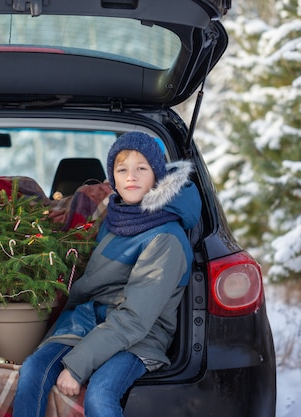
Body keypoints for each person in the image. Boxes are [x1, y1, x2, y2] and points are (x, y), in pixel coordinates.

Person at [12, 131, 201, 417]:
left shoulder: (166, 238)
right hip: (91, 319)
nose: (131, 177)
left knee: (100, 393)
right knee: (33, 371)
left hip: (141, 336)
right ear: (112, 178)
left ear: (157, 175)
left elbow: (136, 318)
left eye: (142, 168)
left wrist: (76, 368)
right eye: (122, 169)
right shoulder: (119, 217)